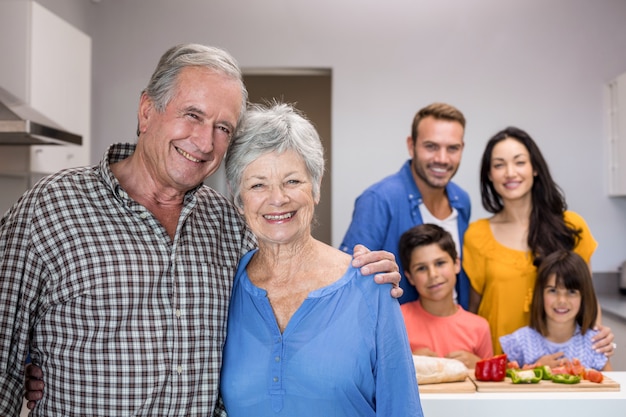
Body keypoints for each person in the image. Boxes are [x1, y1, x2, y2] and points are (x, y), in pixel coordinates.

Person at [0, 44, 402, 417]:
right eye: (192, 115)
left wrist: (364, 274)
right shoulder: (49, 210)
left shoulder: (228, 224)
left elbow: (290, 262)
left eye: (223, 127)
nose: (205, 141)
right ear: (146, 111)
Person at [219, 102, 423, 416]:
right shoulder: (225, 288)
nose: (277, 198)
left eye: (292, 181)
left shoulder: (371, 285)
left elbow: (401, 408)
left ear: (315, 186)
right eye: (258, 184)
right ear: (239, 197)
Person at [463, 126, 614, 356]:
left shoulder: (571, 226)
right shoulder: (477, 235)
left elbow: (587, 299)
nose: (510, 172)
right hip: (501, 369)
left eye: (519, 162)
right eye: (499, 165)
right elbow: (473, 311)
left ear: (535, 168)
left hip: (562, 369)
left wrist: (599, 339)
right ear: (489, 175)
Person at [340, 102, 472, 308]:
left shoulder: (461, 200)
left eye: (452, 148)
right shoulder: (379, 200)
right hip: (400, 333)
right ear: (411, 146)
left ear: (462, 149)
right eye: (431, 146)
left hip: (457, 332)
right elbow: (348, 282)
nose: (442, 158)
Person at [398, 223, 492, 369]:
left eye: (440, 263)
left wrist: (479, 366)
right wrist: (410, 363)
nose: (433, 275)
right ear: (410, 277)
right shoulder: (397, 321)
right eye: (421, 268)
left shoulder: (479, 327)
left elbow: (490, 387)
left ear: (456, 264)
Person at [500, 250, 612, 371]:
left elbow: (611, 386)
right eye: (553, 291)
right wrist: (535, 369)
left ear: (584, 296)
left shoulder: (596, 344)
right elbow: (504, 386)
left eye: (572, 292)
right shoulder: (519, 342)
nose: (562, 300)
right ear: (540, 294)